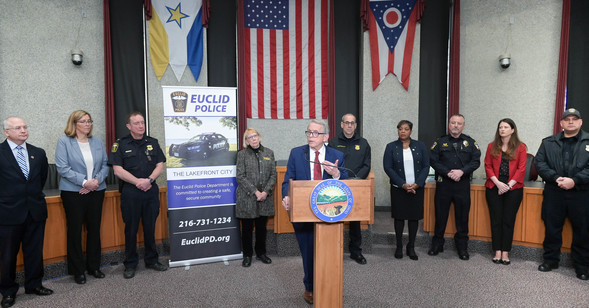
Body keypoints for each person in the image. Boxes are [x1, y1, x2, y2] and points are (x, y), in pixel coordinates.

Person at [281, 119, 347, 305]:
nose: (311, 136)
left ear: (325, 137)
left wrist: (336, 174)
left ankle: (328, 286)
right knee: (308, 252)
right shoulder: (297, 153)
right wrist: (287, 196)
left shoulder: (337, 155)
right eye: (309, 132)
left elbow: (347, 181)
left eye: (315, 133)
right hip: (303, 211)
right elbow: (288, 180)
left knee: (329, 252)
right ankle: (309, 286)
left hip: (330, 213)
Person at [107, 112, 168, 279]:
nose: (141, 126)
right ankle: (131, 264)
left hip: (150, 191)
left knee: (150, 227)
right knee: (131, 229)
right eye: (136, 123)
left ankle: (152, 260)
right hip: (131, 192)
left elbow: (159, 165)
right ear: (129, 126)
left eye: (142, 122)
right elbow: (117, 170)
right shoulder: (120, 144)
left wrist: (149, 180)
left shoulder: (153, 142)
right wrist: (137, 182)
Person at [0, 117, 53, 308]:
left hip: (35, 211)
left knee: (34, 252)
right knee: (7, 256)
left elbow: (41, 179)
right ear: (7, 132)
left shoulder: (38, 153)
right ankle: (7, 291)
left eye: (25, 127)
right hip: (8, 213)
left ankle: (34, 285)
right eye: (18, 128)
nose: (23, 130)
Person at [55, 110, 110, 284]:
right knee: (75, 231)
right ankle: (78, 270)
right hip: (73, 193)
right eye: (83, 121)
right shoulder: (64, 142)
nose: (88, 124)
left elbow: (105, 165)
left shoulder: (97, 141)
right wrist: (85, 182)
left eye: (89, 121)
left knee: (94, 229)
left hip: (96, 191)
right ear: (74, 124)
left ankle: (94, 266)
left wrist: (95, 181)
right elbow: (63, 168)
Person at [534, 108, 589, 280]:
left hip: (581, 193)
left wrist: (574, 180)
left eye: (574, 119)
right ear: (561, 123)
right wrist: (556, 177)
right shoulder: (548, 142)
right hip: (554, 191)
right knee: (552, 227)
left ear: (580, 122)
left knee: (583, 230)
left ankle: (582, 266)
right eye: (567, 119)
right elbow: (539, 162)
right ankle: (550, 261)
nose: (571, 122)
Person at [428, 114, 481, 260]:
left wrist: (462, 171)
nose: (456, 125)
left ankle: (462, 247)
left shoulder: (470, 143)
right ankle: (437, 244)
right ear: (449, 124)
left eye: (459, 123)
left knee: (462, 218)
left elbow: (476, 161)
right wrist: (448, 172)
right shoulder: (440, 142)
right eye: (453, 122)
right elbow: (433, 160)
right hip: (444, 184)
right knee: (440, 216)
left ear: (463, 126)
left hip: (462, 185)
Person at [327, 113, 371, 265]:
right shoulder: (333, 143)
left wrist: (356, 181)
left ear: (356, 125)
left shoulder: (363, 143)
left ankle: (356, 251)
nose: (349, 125)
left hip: (356, 186)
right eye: (347, 123)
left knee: (355, 221)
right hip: (337, 186)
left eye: (352, 123)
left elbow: (367, 164)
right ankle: (333, 251)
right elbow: (329, 164)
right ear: (341, 124)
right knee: (334, 217)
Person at [383, 120, 429, 261]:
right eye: (400, 129)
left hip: (417, 189)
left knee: (414, 218)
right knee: (399, 218)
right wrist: (403, 184)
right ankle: (398, 246)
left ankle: (411, 246)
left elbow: (426, 166)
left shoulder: (420, 146)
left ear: (411, 131)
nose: (403, 131)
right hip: (399, 189)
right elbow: (388, 167)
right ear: (398, 131)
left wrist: (417, 184)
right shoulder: (391, 147)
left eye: (406, 129)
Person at [484, 118, 527, 265]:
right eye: (500, 127)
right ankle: (497, 251)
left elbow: (522, 169)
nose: (502, 129)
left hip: (513, 188)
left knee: (508, 221)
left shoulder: (521, 147)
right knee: (496, 220)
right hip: (494, 187)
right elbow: (487, 166)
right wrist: (498, 183)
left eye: (506, 127)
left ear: (513, 130)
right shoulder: (491, 146)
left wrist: (508, 186)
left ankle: (506, 252)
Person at [235, 128, 276, 268]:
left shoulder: (269, 153)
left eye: (255, 136)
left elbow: (273, 175)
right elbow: (240, 176)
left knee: (261, 227)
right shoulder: (242, 155)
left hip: (265, 197)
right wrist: (255, 192)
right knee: (246, 228)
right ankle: (247, 255)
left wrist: (265, 191)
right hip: (247, 198)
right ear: (246, 141)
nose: (253, 139)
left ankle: (261, 253)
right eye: (249, 137)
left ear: (259, 137)